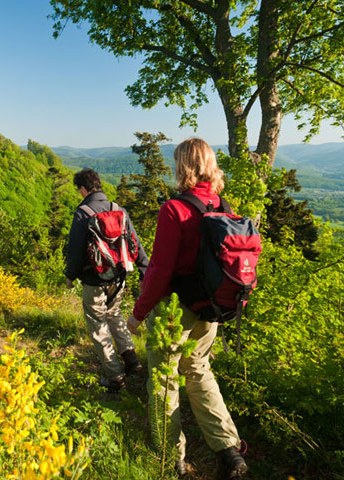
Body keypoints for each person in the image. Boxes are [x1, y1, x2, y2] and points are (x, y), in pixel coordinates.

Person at [127, 138, 248, 479]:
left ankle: (172, 458)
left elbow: (160, 270)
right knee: (199, 371)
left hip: (174, 311)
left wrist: (138, 314)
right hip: (211, 309)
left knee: (164, 379)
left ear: (183, 166)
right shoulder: (224, 207)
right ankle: (229, 452)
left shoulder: (174, 209)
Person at [65, 168, 149, 392]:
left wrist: (70, 276)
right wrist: (145, 270)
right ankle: (132, 361)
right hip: (119, 277)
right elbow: (135, 242)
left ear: (84, 189)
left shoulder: (83, 212)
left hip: (94, 280)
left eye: (79, 190)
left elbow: (75, 250)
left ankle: (115, 377)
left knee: (98, 325)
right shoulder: (117, 209)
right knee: (114, 314)